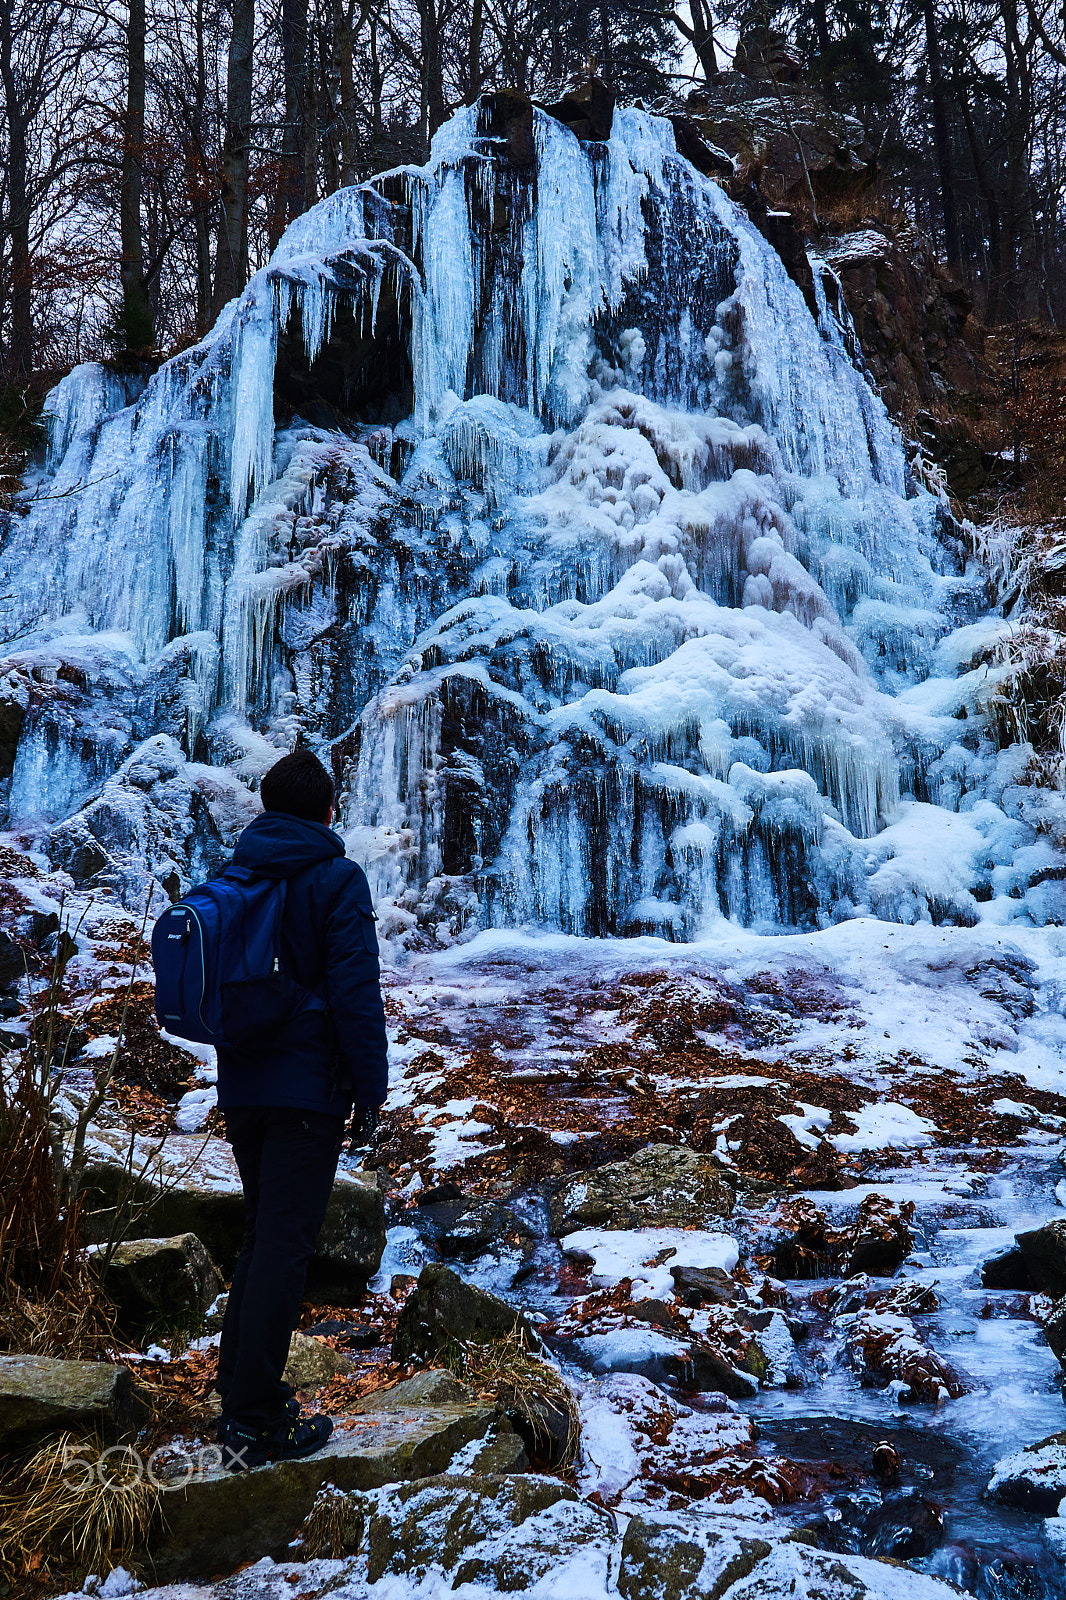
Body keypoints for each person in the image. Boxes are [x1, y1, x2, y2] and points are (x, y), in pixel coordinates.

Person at [214, 748, 388, 1472]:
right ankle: (254, 1423)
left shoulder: (235, 875)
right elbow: (355, 993)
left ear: (265, 805)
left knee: (263, 1239)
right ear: (326, 811)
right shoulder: (336, 879)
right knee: (285, 1251)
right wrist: (370, 1092)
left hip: (244, 1088)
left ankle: (242, 1400)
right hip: (305, 1097)